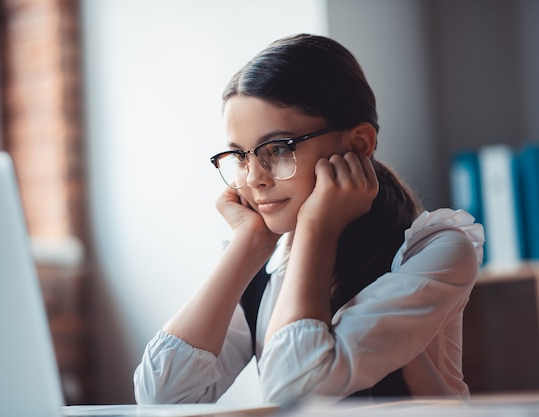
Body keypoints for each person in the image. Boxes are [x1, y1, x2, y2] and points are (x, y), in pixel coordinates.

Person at [133, 33, 484, 404]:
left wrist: (318, 227)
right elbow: (162, 399)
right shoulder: (266, 262)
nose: (254, 178)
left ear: (359, 144)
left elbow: (295, 390)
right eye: (239, 156)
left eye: (280, 148)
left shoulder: (436, 252)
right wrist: (247, 246)